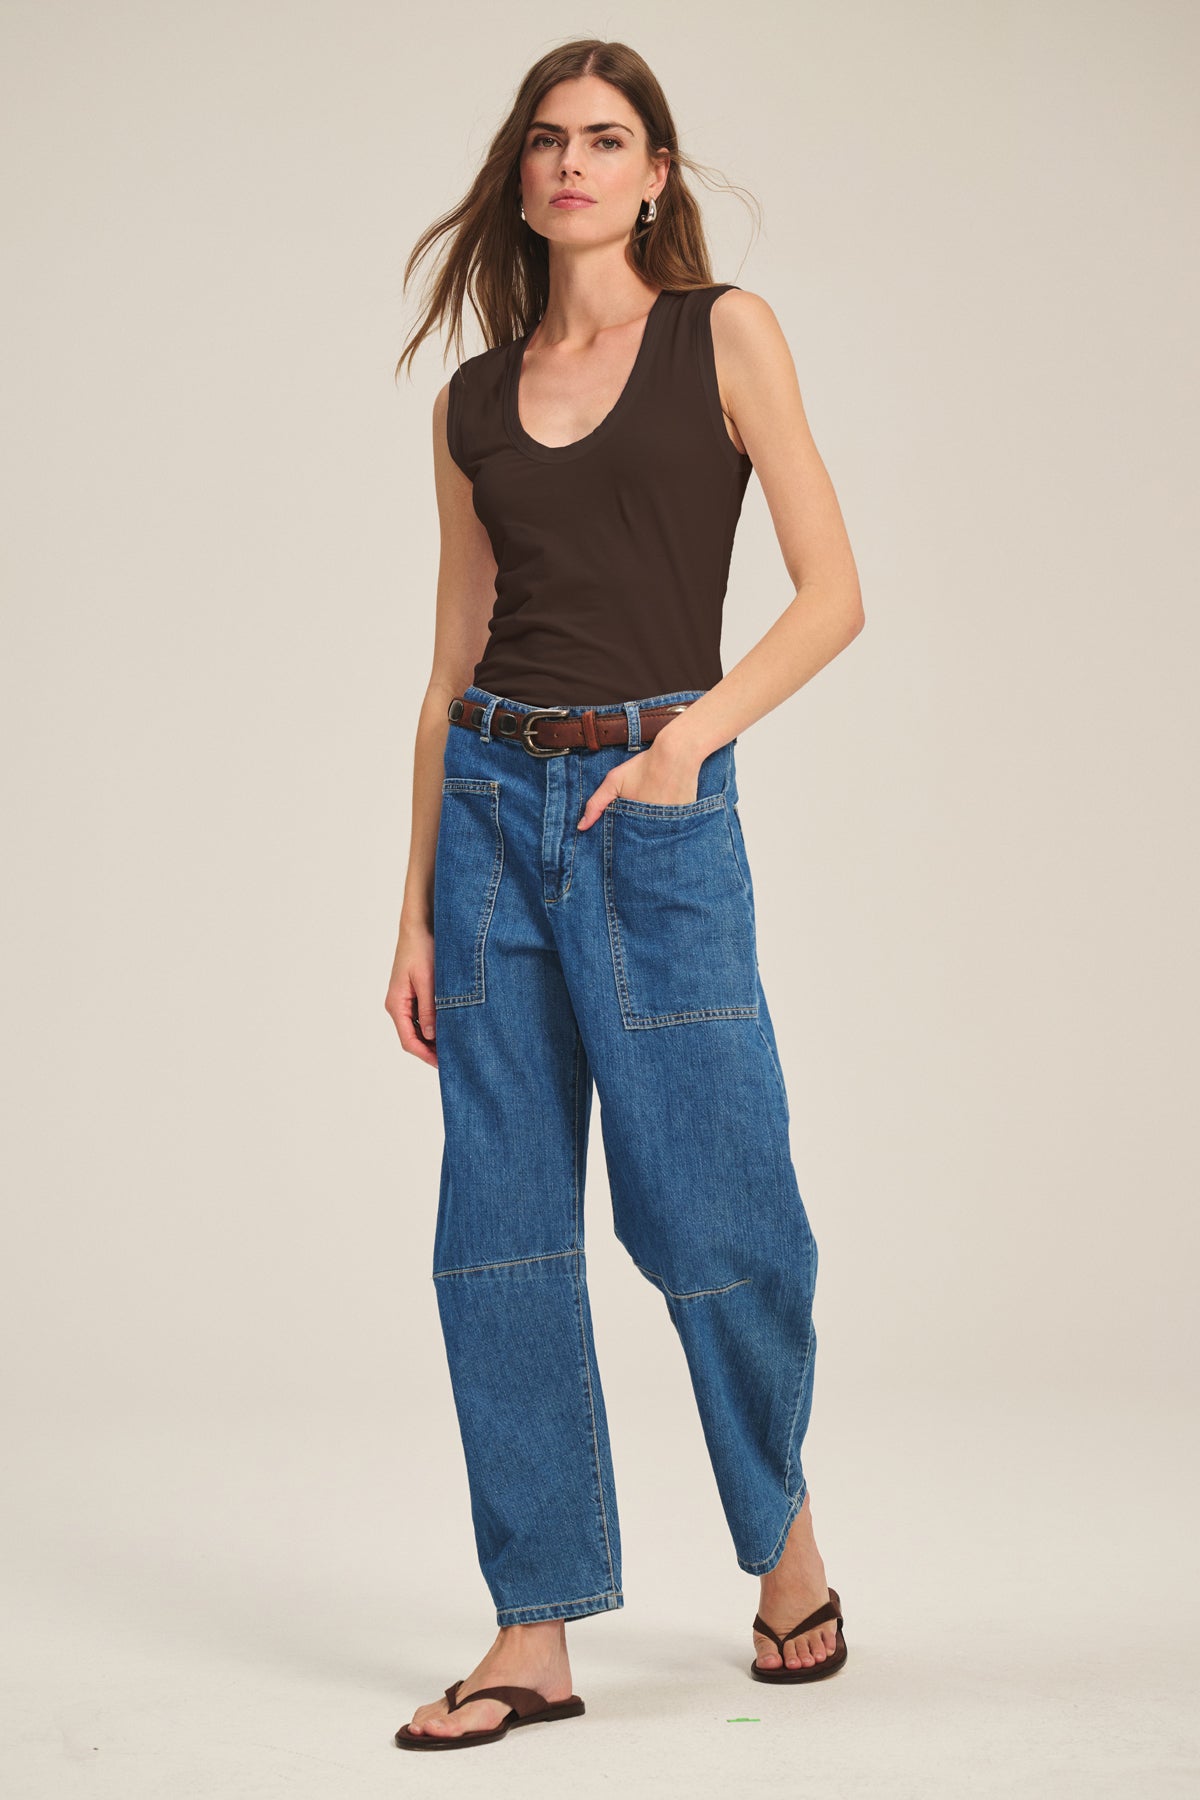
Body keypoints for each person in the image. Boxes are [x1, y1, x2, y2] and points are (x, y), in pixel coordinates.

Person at [386, 39, 864, 1751]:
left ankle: (785, 1550)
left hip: (651, 806)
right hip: (495, 812)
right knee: (494, 1233)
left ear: (657, 169)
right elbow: (448, 666)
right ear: (521, 177)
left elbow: (832, 593)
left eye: (608, 138)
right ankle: (535, 1634)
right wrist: (417, 910)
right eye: (548, 140)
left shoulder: (723, 333)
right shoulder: (471, 399)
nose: (574, 163)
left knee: (713, 1209)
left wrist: (688, 750)